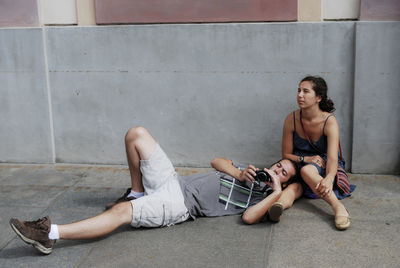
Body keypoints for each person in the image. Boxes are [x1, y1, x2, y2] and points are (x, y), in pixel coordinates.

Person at [10, 126, 298, 255]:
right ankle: (137, 192)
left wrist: (273, 191)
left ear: (282, 182)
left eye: (283, 172)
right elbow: (216, 160)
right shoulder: (249, 172)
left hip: (179, 205)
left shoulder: (264, 197)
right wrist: (239, 172)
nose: (278, 169)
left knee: (122, 213)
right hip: (173, 181)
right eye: (279, 164)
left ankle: (50, 235)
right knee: (136, 134)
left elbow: (249, 218)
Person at [267, 75, 355, 230]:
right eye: (299, 90)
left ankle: (338, 207)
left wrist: (328, 177)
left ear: (318, 98)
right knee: (294, 188)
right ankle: (278, 207)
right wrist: (305, 158)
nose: (300, 95)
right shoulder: (291, 119)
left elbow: (333, 158)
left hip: (325, 163)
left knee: (307, 171)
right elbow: (286, 155)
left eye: (306, 91)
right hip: (300, 163)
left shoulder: (329, 121)